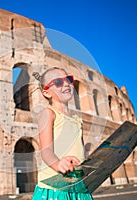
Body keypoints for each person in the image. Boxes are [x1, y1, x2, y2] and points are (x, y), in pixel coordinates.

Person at [32, 67, 93, 200]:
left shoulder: (77, 120)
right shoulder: (48, 113)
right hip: (54, 186)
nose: (66, 84)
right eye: (58, 82)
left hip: (76, 184)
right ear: (47, 93)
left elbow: (81, 152)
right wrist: (58, 164)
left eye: (69, 79)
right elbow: (46, 151)